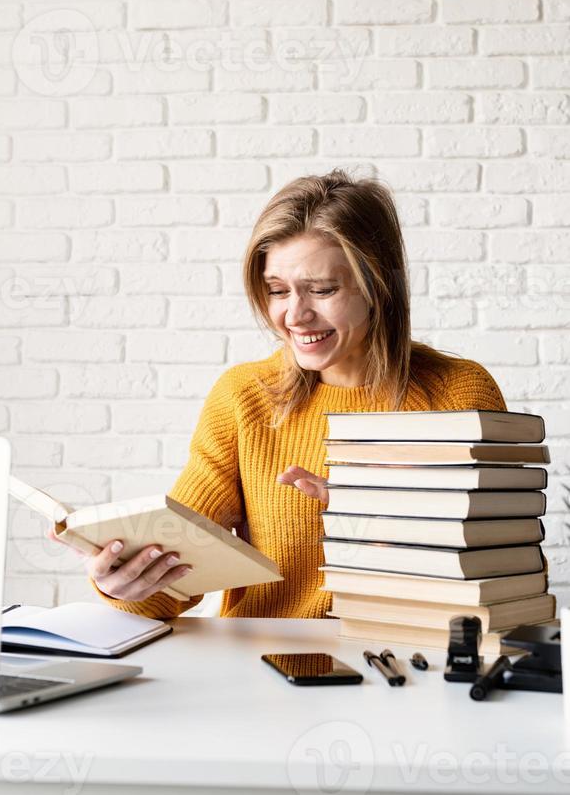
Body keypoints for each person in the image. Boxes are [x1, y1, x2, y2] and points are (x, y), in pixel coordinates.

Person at [53, 169, 507, 619]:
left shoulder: (457, 394)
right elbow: (170, 591)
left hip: (402, 668)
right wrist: (123, 581)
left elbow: (506, 581)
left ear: (378, 286)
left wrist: (387, 516)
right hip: (262, 671)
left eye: (323, 289)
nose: (295, 315)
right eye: (276, 290)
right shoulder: (245, 397)